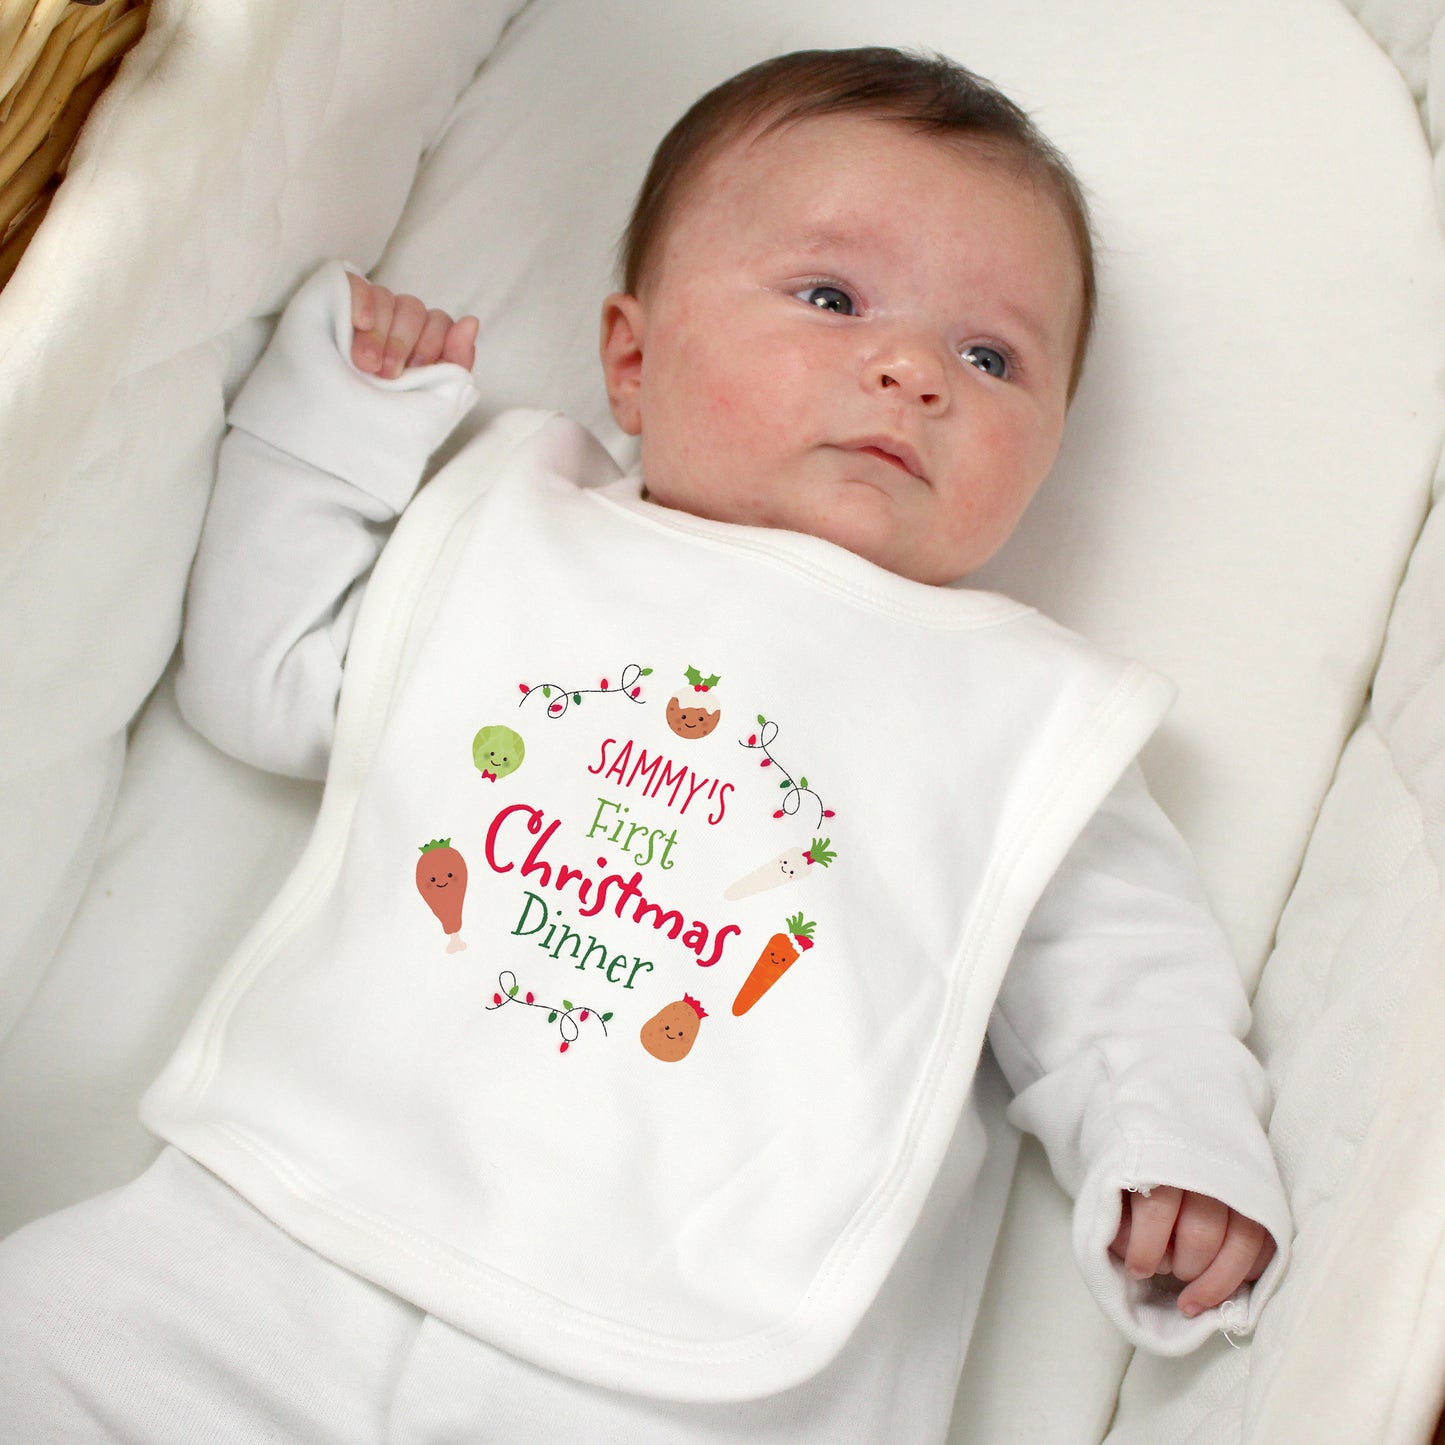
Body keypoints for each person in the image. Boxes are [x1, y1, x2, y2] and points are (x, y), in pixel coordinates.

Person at [0, 47, 1288, 1443]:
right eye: (831, 298)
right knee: (45, 1334)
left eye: (992, 357)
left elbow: (1126, 972)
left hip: (692, 1370)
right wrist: (333, 431)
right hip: (285, 1233)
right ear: (632, 356)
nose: (913, 370)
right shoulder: (519, 538)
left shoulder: (1010, 707)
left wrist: (1174, 1137)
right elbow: (261, 679)